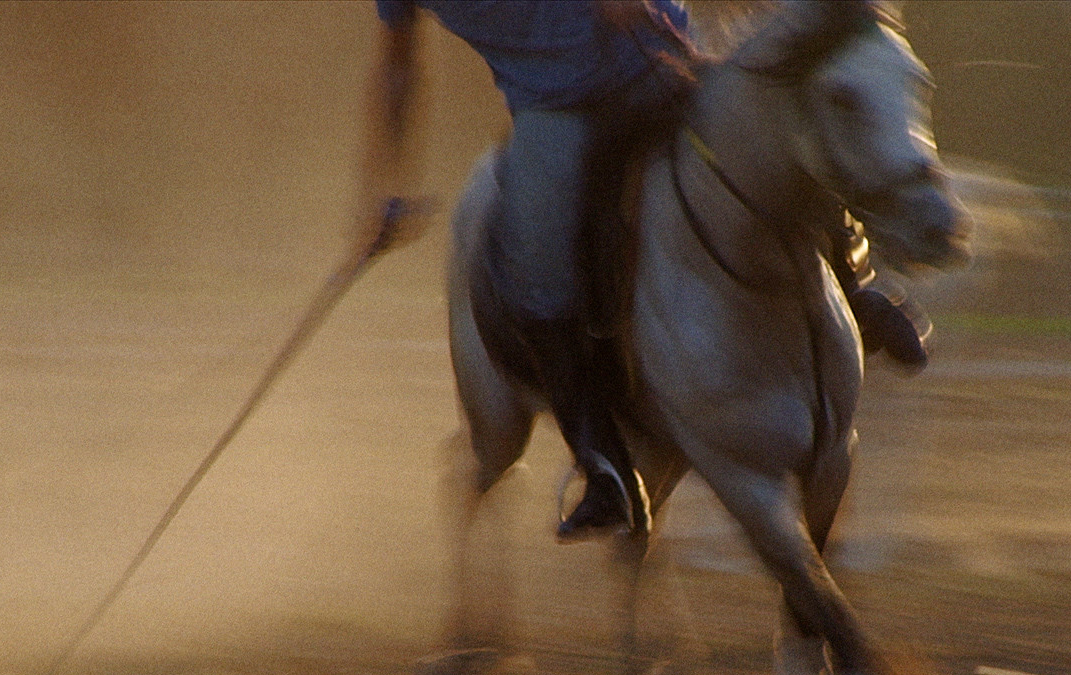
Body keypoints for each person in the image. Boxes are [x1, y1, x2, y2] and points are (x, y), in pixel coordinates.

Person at [364, 0, 927, 542]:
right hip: (553, 106)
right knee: (539, 281)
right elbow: (398, 65)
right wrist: (386, 184)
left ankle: (861, 291)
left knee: (777, 139)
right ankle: (603, 466)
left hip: (650, 51)